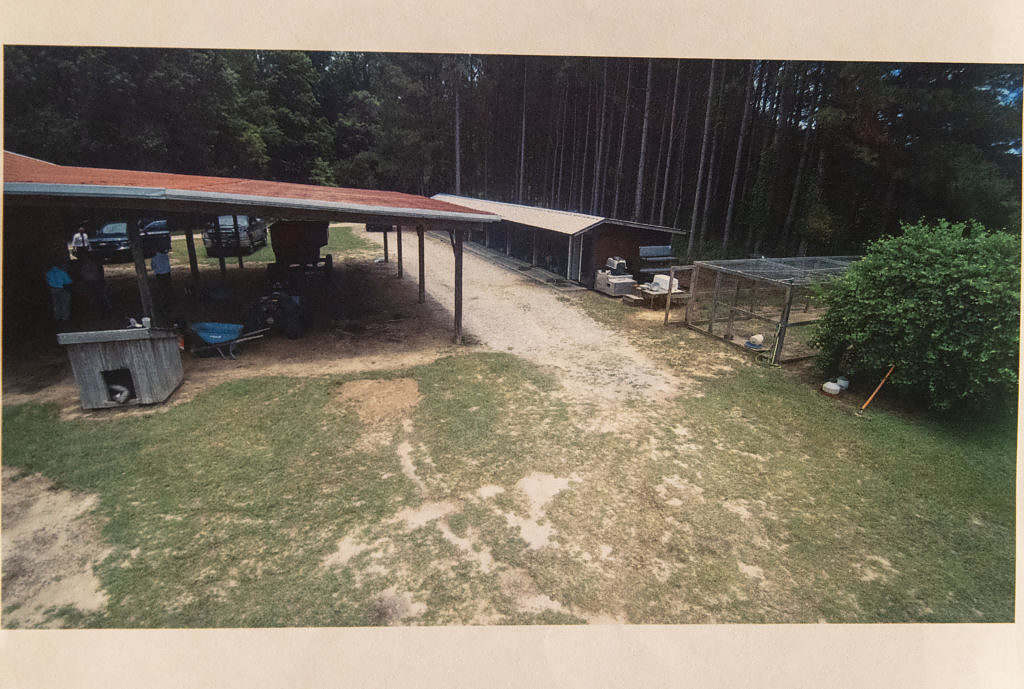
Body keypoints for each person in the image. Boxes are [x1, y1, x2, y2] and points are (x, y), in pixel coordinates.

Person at [78, 252, 111, 318]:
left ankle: (101, 310)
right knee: (98, 296)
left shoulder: (87, 265)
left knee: (97, 296)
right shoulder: (94, 265)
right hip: (93, 282)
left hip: (93, 282)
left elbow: (83, 274)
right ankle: (102, 309)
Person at [151, 248, 173, 315]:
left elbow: (153, 267)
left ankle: (164, 305)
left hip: (160, 275)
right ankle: (169, 303)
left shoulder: (154, 258)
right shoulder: (165, 256)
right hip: (167, 274)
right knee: (168, 289)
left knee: (162, 290)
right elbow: (168, 265)